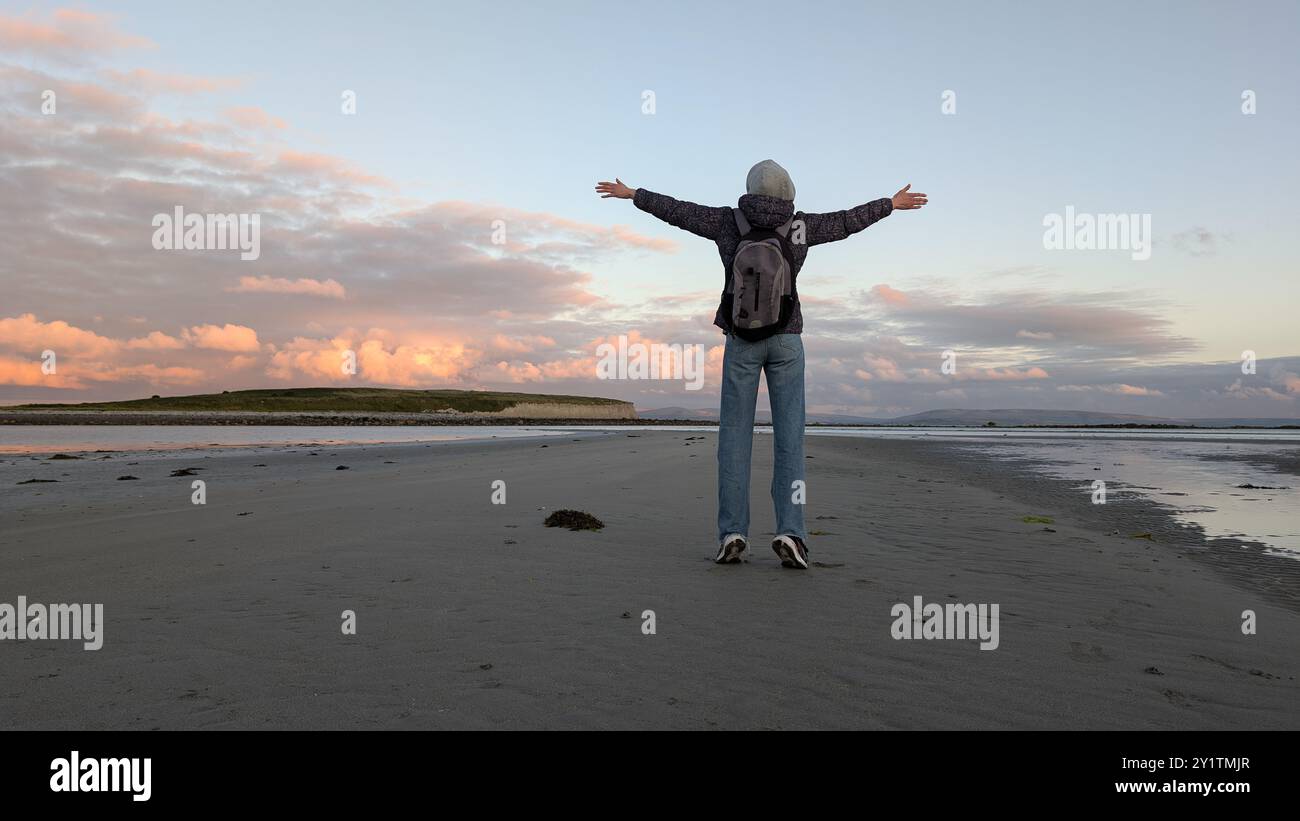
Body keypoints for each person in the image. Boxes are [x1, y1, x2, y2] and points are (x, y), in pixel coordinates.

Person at [596, 160, 926, 568]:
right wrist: (889, 204)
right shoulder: (801, 226)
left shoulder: (727, 222)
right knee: (791, 443)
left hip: (741, 341)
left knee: (734, 442)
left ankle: (732, 533)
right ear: (789, 191)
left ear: (750, 189)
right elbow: (847, 222)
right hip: (787, 340)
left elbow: (677, 211)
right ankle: (792, 535)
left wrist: (634, 196)